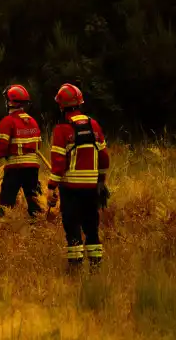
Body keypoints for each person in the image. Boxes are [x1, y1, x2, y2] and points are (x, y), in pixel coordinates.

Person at [46, 83, 110, 271]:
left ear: (61, 106)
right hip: (91, 188)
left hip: (71, 188)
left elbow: (58, 163)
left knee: (72, 226)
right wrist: (101, 180)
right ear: (80, 103)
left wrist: (51, 187)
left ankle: (74, 268)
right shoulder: (94, 124)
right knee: (91, 226)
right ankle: (96, 266)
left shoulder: (62, 129)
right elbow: (104, 156)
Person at [0, 84, 43, 219]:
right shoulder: (32, 121)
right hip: (32, 168)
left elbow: (2, 146)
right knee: (34, 201)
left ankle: (5, 230)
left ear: (11, 102)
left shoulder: (8, 121)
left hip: (15, 168)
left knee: (7, 202)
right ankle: (39, 230)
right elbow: (39, 145)